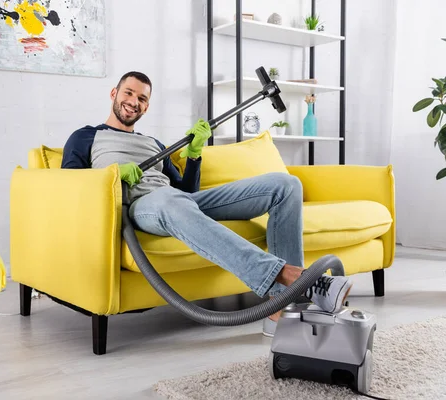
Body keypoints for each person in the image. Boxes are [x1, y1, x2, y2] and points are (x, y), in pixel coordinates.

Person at [61, 71, 353, 337]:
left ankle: (279, 307)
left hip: (176, 201)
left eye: (141, 98)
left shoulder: (154, 144)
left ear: (146, 106)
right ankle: (295, 278)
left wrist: (195, 152)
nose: (133, 101)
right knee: (169, 200)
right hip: (141, 207)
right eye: (128, 93)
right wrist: (111, 175)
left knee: (286, 185)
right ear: (114, 93)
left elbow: (186, 191)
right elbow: (71, 188)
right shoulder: (86, 137)